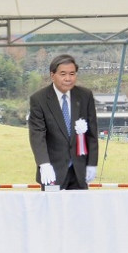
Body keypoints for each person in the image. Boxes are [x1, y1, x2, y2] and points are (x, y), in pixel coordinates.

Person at [28, 54, 98, 190]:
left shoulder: (85, 96)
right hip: (52, 171)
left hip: (79, 171)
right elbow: (37, 135)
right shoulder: (39, 99)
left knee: (79, 204)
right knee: (52, 204)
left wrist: (92, 163)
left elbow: (92, 133)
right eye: (63, 74)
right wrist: (44, 164)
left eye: (72, 74)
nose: (68, 78)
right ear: (52, 75)